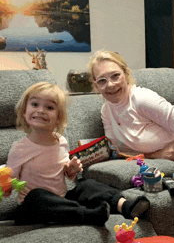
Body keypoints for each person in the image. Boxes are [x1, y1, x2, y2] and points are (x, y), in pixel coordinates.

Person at [6, 82, 150, 226]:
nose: (41, 110)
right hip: (32, 210)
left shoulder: (61, 141)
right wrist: (5, 187)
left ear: (58, 118)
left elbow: (63, 174)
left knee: (86, 184)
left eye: (49, 107)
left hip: (61, 201)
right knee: (36, 195)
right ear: (24, 112)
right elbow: (9, 183)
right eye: (35, 104)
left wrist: (71, 170)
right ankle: (89, 215)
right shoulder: (19, 149)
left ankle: (125, 206)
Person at [87, 50, 174, 188]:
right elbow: (117, 152)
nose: (110, 84)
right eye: (102, 80)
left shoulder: (141, 99)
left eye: (115, 76)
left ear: (126, 75)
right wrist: (156, 154)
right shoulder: (106, 111)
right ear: (96, 86)